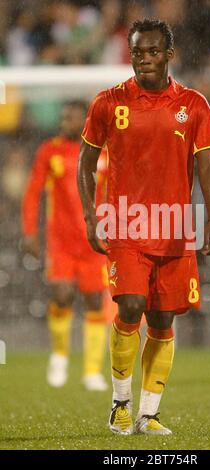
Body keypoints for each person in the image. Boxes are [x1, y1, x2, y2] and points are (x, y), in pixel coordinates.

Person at [78, 19, 210, 435]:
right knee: (131, 306)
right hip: (124, 223)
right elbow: (86, 162)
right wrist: (92, 214)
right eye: (138, 51)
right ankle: (119, 405)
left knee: (162, 319)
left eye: (153, 51)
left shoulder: (193, 104)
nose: (145, 59)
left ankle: (149, 414)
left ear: (169, 54)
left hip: (176, 226)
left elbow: (209, 165)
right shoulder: (109, 102)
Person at [22, 101, 113, 391]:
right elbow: (33, 192)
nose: (64, 121)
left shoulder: (104, 152)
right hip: (61, 242)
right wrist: (29, 233)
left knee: (95, 302)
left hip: (95, 243)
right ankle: (60, 356)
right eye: (63, 116)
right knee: (61, 296)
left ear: (85, 121)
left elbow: (117, 191)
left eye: (70, 117)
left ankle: (91, 371)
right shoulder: (50, 150)